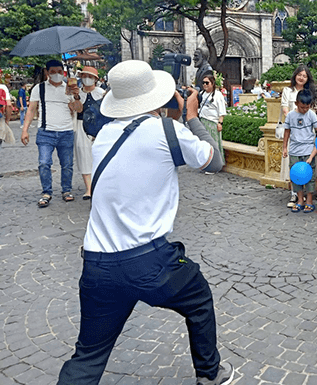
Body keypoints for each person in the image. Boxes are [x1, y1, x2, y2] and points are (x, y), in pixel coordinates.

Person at [57, 60, 232, 385]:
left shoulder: (106, 136)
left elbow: (146, 152)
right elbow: (215, 162)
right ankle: (209, 374)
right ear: (156, 96)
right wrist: (191, 116)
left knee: (88, 356)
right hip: (149, 262)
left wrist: (174, 122)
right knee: (199, 300)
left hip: (98, 263)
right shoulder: (166, 131)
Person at [21, 59, 82, 207]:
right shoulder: (39, 89)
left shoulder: (69, 88)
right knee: (44, 163)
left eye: (59, 72)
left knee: (67, 165)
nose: (57, 75)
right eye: (53, 72)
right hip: (45, 132)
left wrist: (76, 96)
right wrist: (25, 130)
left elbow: (78, 109)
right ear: (47, 72)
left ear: (64, 72)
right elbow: (31, 110)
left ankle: (66, 190)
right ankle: (46, 192)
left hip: (66, 131)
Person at [281, 65, 317, 207]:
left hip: (307, 144)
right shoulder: (288, 91)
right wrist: (294, 117)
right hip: (295, 142)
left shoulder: (310, 93)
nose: (301, 77)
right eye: (299, 74)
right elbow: (287, 128)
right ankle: (295, 196)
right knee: (295, 172)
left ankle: (308, 199)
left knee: (309, 174)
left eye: (305, 75)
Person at [282, 89, 317, 213]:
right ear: (296, 103)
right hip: (294, 150)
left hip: (307, 150)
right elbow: (287, 131)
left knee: (309, 176)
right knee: (296, 176)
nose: (304, 110)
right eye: (302, 107)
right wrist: (285, 147)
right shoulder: (290, 115)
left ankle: (309, 200)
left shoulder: (311, 114)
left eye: (307, 107)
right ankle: (300, 199)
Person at [74, 67, 105, 200]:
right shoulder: (77, 93)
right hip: (81, 126)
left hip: (99, 127)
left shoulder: (101, 93)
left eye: (90, 76)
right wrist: (75, 97)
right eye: (84, 76)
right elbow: (77, 110)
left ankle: (101, 184)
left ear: (95, 79)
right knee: (83, 155)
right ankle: (89, 188)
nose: (87, 78)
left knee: (99, 154)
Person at [199, 73, 227, 169]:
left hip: (212, 122)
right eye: (203, 83)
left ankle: (216, 164)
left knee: (214, 144)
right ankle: (206, 163)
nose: (205, 85)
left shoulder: (218, 95)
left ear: (212, 83)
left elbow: (222, 111)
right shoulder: (202, 94)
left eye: (207, 83)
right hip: (203, 121)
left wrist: (220, 123)